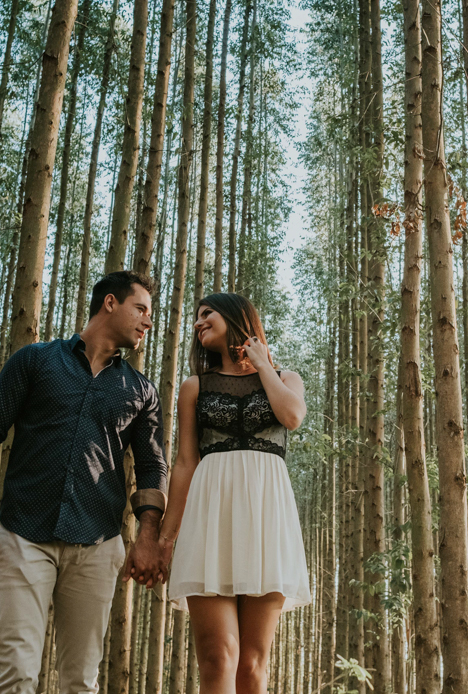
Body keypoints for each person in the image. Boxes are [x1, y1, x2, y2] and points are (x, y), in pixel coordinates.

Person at [0, 270, 168, 694]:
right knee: (16, 674)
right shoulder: (35, 360)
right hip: (23, 534)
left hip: (98, 543)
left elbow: (152, 466)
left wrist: (147, 537)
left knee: (80, 682)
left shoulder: (141, 390)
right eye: (141, 309)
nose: (148, 321)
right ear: (110, 303)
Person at [158, 293, 311, 694]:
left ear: (235, 317)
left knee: (252, 664)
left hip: (266, 516)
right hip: (211, 518)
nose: (197, 322)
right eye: (195, 317)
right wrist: (166, 538)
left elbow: (292, 417)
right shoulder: (195, 386)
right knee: (217, 656)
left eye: (206, 313)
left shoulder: (285, 378)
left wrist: (262, 363)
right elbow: (185, 463)